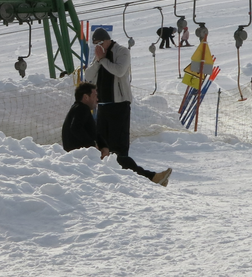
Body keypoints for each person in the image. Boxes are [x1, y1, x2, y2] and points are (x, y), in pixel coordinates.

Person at [83, 27, 172, 186]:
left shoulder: (121, 51)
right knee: (104, 146)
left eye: (100, 43)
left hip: (119, 105)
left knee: (119, 146)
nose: (98, 47)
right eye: (95, 44)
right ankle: (114, 178)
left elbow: (119, 70)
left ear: (107, 40)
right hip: (102, 106)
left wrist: (103, 59)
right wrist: (98, 60)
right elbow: (88, 76)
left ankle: (139, 179)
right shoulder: (99, 56)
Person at [61, 82, 99, 152]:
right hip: (81, 156)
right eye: (95, 96)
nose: (97, 99)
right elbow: (75, 128)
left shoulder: (76, 108)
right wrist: (92, 145)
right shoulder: (82, 108)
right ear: (86, 97)